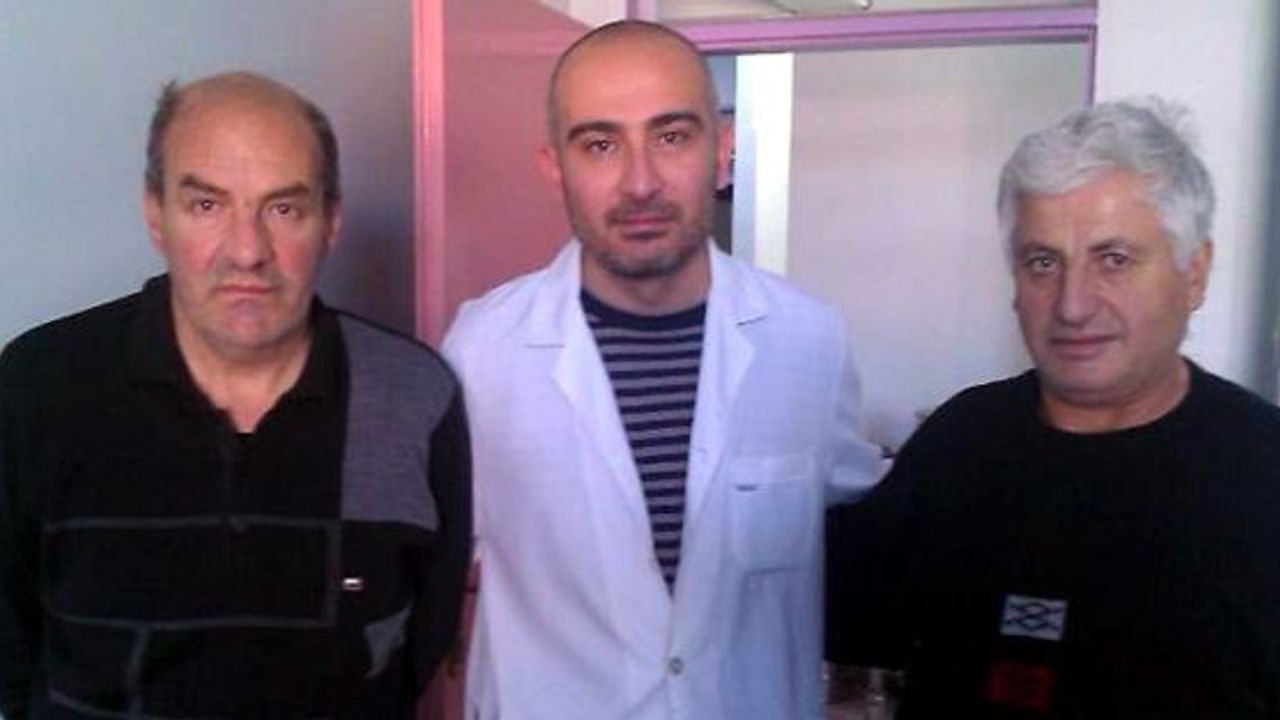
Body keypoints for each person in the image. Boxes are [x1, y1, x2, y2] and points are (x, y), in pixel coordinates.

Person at [442, 20, 884, 720]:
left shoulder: (808, 340)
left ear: (723, 150)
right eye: (600, 145)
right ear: (554, 167)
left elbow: (859, 520)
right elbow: (434, 563)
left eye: (672, 136)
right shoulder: (482, 350)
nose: (640, 182)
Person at [0, 72, 471, 720]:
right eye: (207, 205)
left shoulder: (413, 395)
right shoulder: (40, 386)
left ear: (331, 221)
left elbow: (421, 641)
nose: (248, 251)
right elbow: (11, 646)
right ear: (155, 213)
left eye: (284, 209)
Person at [826, 99, 1280, 717]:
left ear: (1194, 273)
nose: (1071, 305)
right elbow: (844, 615)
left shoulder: (1262, 472)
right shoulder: (963, 442)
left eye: (1113, 260)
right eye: (1043, 262)